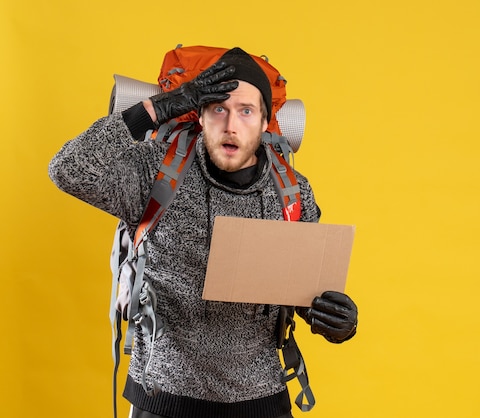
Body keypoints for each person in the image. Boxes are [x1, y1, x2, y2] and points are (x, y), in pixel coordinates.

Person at [48, 47, 358, 418]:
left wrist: (331, 317)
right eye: (218, 109)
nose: (231, 125)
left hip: (261, 399)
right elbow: (68, 169)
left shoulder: (291, 191)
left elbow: (297, 286)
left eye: (246, 111)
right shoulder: (156, 172)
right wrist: (156, 108)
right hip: (163, 397)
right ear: (200, 115)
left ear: (264, 122)